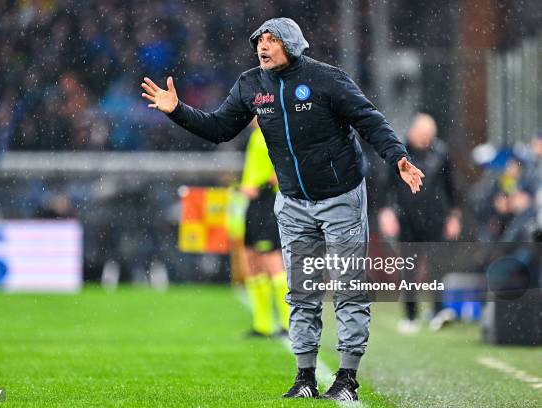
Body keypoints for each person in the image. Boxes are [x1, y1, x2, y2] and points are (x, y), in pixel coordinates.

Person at [141, 17, 424, 401]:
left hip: (341, 196)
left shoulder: (328, 79)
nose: (263, 47)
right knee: (301, 291)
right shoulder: (250, 85)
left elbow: (369, 121)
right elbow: (219, 129)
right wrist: (177, 111)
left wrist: (398, 158)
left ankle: (347, 378)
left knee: (347, 288)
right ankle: (305, 377)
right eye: (260, 40)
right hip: (292, 202)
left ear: (292, 45)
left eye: (272, 41)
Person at [378, 113, 461, 332]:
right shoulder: (400, 154)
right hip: (406, 219)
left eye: (430, 135)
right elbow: (385, 186)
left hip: (435, 218)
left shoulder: (441, 153)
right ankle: (411, 315)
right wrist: (386, 212)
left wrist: (454, 216)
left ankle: (438, 311)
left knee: (437, 267)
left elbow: (451, 187)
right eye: (422, 134)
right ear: (413, 132)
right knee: (409, 268)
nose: (426, 139)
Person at [240, 117, 290, 337]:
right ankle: (263, 325)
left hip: (266, 201)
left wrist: (261, 186)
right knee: (252, 260)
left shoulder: (274, 133)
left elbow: (285, 166)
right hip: (253, 205)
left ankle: (289, 324)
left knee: (271, 259)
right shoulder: (255, 136)